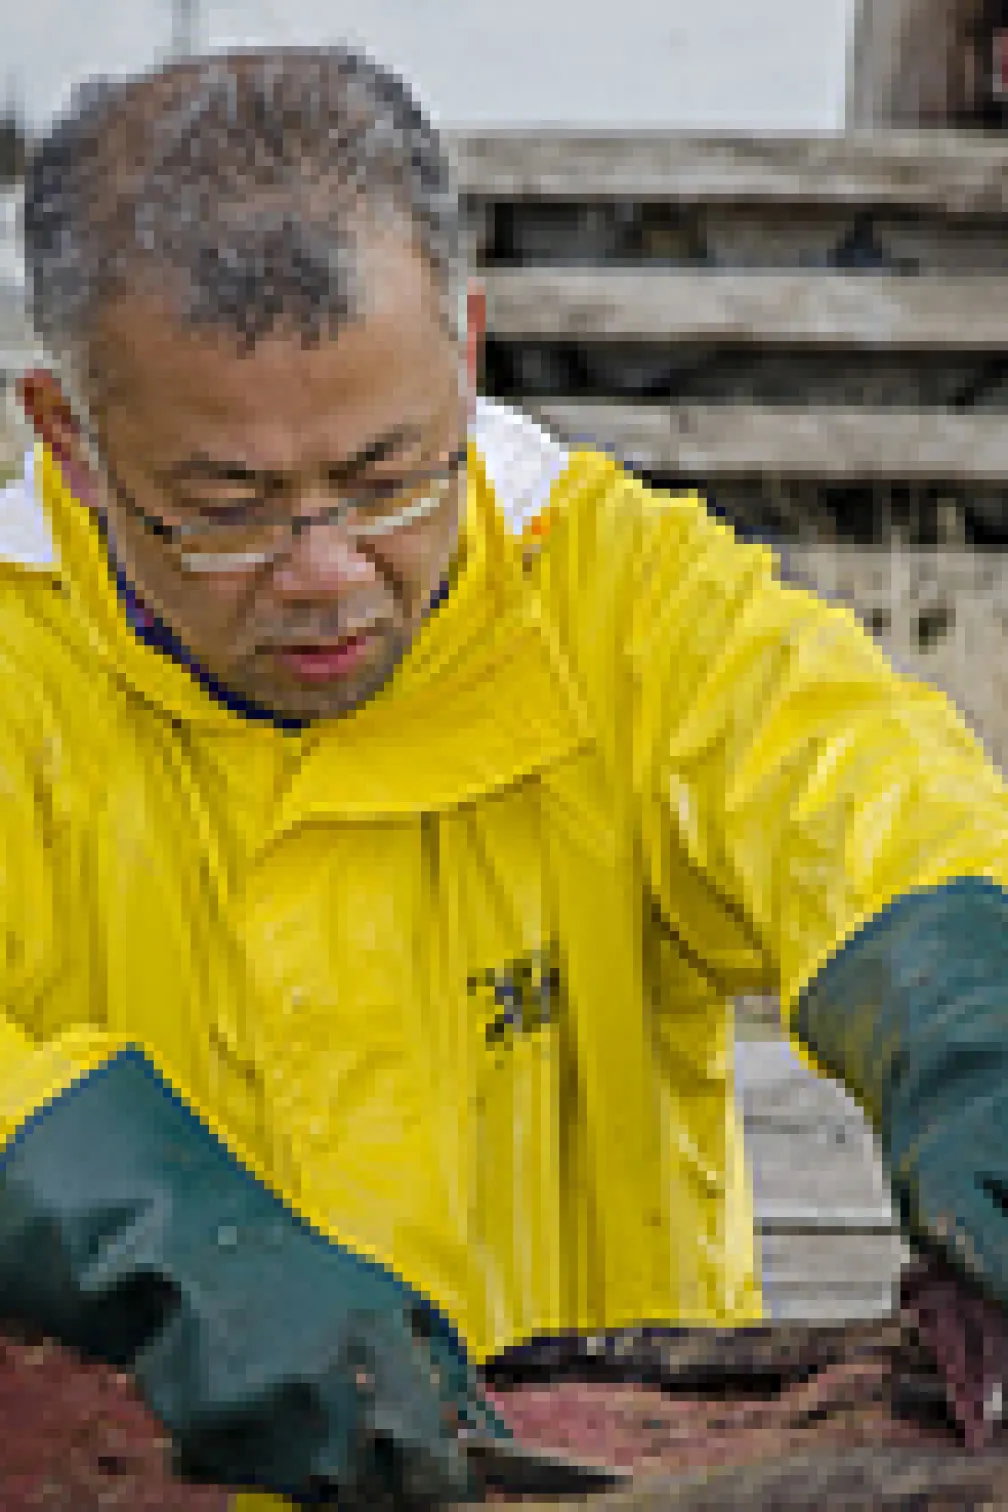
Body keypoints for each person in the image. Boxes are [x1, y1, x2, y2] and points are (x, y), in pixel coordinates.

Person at [0, 44, 1006, 1510]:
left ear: (465, 349)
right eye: (228, 508)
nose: (329, 573)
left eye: (388, 477)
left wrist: (972, 1008)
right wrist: (132, 1230)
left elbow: (850, 780)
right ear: (72, 441)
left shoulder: (622, 601)